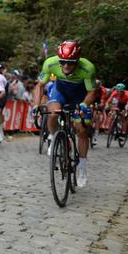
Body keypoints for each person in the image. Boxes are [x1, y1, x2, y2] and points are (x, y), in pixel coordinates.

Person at [33, 40, 96, 187]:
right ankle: (54, 137)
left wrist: (83, 105)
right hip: (60, 91)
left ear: (78, 60)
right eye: (63, 62)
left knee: (81, 130)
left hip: (80, 95)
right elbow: (40, 85)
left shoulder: (87, 68)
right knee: (53, 113)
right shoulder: (50, 63)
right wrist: (36, 105)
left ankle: (82, 167)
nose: (66, 66)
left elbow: (92, 92)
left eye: (71, 63)